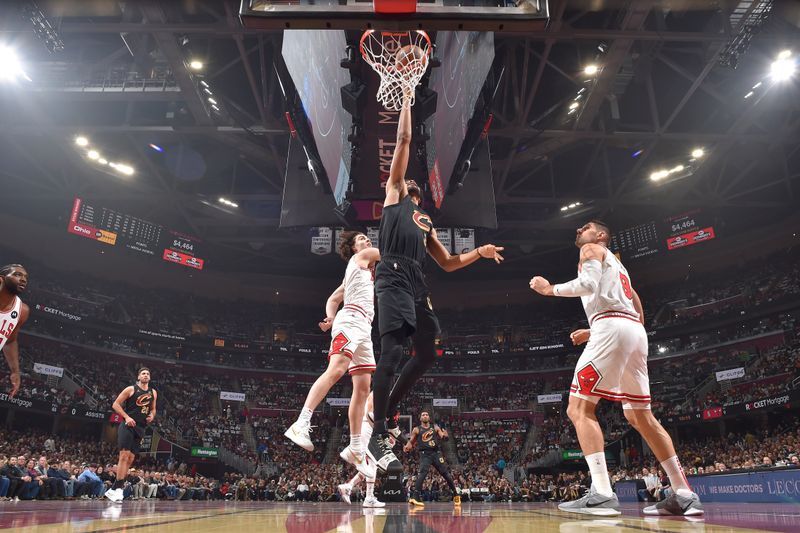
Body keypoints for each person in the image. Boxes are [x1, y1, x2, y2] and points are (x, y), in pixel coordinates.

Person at [367, 88, 504, 475]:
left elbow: (446, 263)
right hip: (392, 274)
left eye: (413, 182)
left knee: (426, 353)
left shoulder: (425, 220)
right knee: (392, 353)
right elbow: (405, 139)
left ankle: (390, 410)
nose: (409, 179)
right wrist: (408, 95)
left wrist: (479, 251)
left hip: (417, 282)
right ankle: (378, 433)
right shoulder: (394, 196)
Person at [529, 219, 703, 516]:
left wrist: (549, 289)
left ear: (601, 235)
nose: (578, 231)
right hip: (634, 332)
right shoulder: (621, 268)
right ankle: (684, 493)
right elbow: (635, 307)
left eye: (585, 227)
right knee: (640, 415)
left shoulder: (592, 249)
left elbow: (588, 285)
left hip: (612, 327)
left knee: (578, 408)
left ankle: (601, 493)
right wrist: (597, 328)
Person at [285, 231, 380, 480]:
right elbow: (393, 254)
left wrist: (329, 316)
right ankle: (301, 423)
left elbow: (333, 298)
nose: (367, 240)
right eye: (361, 238)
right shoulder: (362, 257)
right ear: (353, 248)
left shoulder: (359, 272)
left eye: (367, 238)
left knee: (362, 388)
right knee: (336, 370)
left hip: (364, 327)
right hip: (350, 320)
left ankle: (356, 447)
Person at [106, 367, 157, 502]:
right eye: (143, 373)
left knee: (130, 459)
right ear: (138, 377)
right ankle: (117, 489)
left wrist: (152, 415)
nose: (146, 375)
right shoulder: (131, 389)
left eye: (148, 373)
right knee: (124, 455)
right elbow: (115, 404)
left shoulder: (153, 392)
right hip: (127, 425)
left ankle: (115, 488)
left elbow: (153, 409)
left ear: (149, 378)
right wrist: (127, 417)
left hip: (141, 428)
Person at [404, 411, 460, 507]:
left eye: (426, 415)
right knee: (422, 473)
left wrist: (446, 436)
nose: (425, 416)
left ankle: (455, 494)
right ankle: (414, 497)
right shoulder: (416, 429)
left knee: (445, 473)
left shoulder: (435, 427)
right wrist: (407, 447)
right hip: (425, 454)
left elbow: (443, 437)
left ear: (429, 417)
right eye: (423, 415)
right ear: (420, 418)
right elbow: (411, 441)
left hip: (436, 453)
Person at [337, 393, 383, 508]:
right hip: (367, 428)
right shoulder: (375, 393)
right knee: (372, 465)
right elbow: (369, 414)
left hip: (368, 429)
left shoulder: (381, 394)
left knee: (371, 466)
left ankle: (350, 487)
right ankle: (368, 497)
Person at [0, 264, 29, 398]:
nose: (23, 279)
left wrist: (15, 371)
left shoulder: (22, 310)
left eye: (25, 277)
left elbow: (10, 341)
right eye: (17, 274)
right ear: (1, 279)